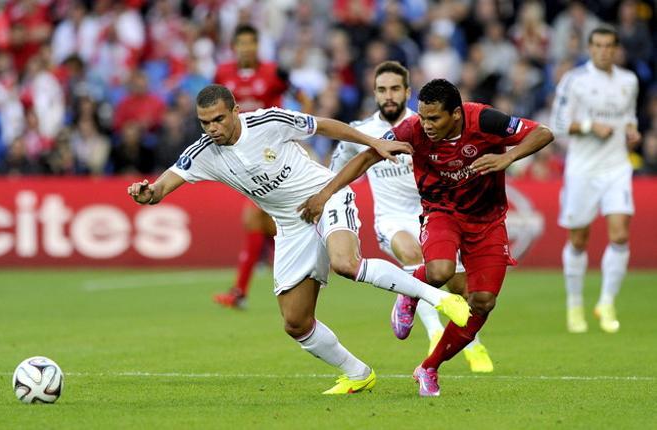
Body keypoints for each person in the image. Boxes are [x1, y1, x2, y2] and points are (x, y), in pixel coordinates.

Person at [127, 84, 470, 394]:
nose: (212, 128)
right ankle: (357, 373)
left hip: (326, 196)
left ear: (235, 111)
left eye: (218, 119)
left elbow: (324, 125)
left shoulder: (268, 122)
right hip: (291, 226)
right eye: (205, 123)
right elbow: (163, 185)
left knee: (345, 263)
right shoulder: (204, 151)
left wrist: (373, 142)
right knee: (295, 322)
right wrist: (148, 192)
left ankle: (437, 299)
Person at [298, 79, 553, 396]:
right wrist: (324, 195)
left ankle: (429, 367)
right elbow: (366, 158)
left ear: (456, 115)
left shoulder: (485, 119)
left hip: (488, 220)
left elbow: (543, 132)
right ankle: (409, 292)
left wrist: (507, 157)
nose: (427, 125)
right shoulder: (412, 129)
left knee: (483, 302)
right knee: (440, 271)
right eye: (423, 116)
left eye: (435, 119)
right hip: (442, 211)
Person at [330, 61, 493, 372]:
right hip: (391, 219)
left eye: (394, 89)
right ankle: (433, 335)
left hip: (435, 214)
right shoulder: (361, 132)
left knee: (463, 289)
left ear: (407, 91)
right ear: (374, 93)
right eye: (381, 90)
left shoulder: (430, 125)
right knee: (413, 253)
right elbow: (336, 172)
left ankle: (474, 343)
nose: (388, 96)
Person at [212, 24, 313, 309]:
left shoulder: (273, 72)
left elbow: (304, 97)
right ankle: (248, 288)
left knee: (255, 219)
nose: (246, 48)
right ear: (234, 47)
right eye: (241, 43)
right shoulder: (223, 74)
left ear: (258, 46)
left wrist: (296, 126)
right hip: (241, 155)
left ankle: (240, 291)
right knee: (264, 222)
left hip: (271, 152)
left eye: (251, 43)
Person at [550, 26, 641, 334]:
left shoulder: (629, 81)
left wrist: (632, 130)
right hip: (583, 170)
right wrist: (590, 125)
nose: (604, 50)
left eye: (609, 46)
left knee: (619, 235)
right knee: (578, 239)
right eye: (598, 45)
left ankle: (606, 301)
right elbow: (558, 124)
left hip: (617, 167)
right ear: (590, 48)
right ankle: (574, 304)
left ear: (616, 49)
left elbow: (629, 115)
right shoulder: (574, 81)